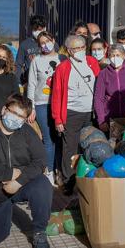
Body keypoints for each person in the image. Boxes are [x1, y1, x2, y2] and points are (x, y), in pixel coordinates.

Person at [0, 94, 52, 248]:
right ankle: (2, 211)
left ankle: (39, 232)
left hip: (19, 185)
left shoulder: (26, 132)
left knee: (42, 185)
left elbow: (40, 161)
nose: (16, 119)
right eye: (13, 113)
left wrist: (18, 181)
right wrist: (9, 173)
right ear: (4, 109)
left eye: (21, 117)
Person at [51, 35, 100, 192]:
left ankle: (87, 179)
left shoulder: (92, 62)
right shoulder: (63, 68)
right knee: (70, 149)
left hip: (90, 113)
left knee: (90, 146)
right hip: (71, 114)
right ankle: (69, 182)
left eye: (82, 47)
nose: (79, 51)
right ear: (69, 51)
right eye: (75, 48)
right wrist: (58, 119)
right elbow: (57, 95)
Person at [27, 32, 62, 186]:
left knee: (60, 139)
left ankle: (59, 170)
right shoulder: (37, 61)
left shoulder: (63, 59)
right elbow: (32, 84)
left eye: (48, 41)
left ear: (53, 40)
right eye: (42, 43)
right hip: (42, 103)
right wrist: (31, 107)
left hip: (61, 104)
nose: (45, 45)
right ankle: (48, 171)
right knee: (48, 140)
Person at [93, 44, 125, 133]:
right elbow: (99, 98)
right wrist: (101, 120)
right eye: (112, 55)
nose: (115, 58)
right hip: (111, 118)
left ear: (123, 56)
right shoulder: (103, 74)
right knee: (114, 144)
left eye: (118, 55)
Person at [16, 15, 47, 86]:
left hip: (47, 83)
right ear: (32, 29)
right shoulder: (24, 44)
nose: (38, 32)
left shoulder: (52, 43)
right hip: (29, 82)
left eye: (40, 29)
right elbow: (18, 64)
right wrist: (18, 82)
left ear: (45, 28)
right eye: (35, 30)